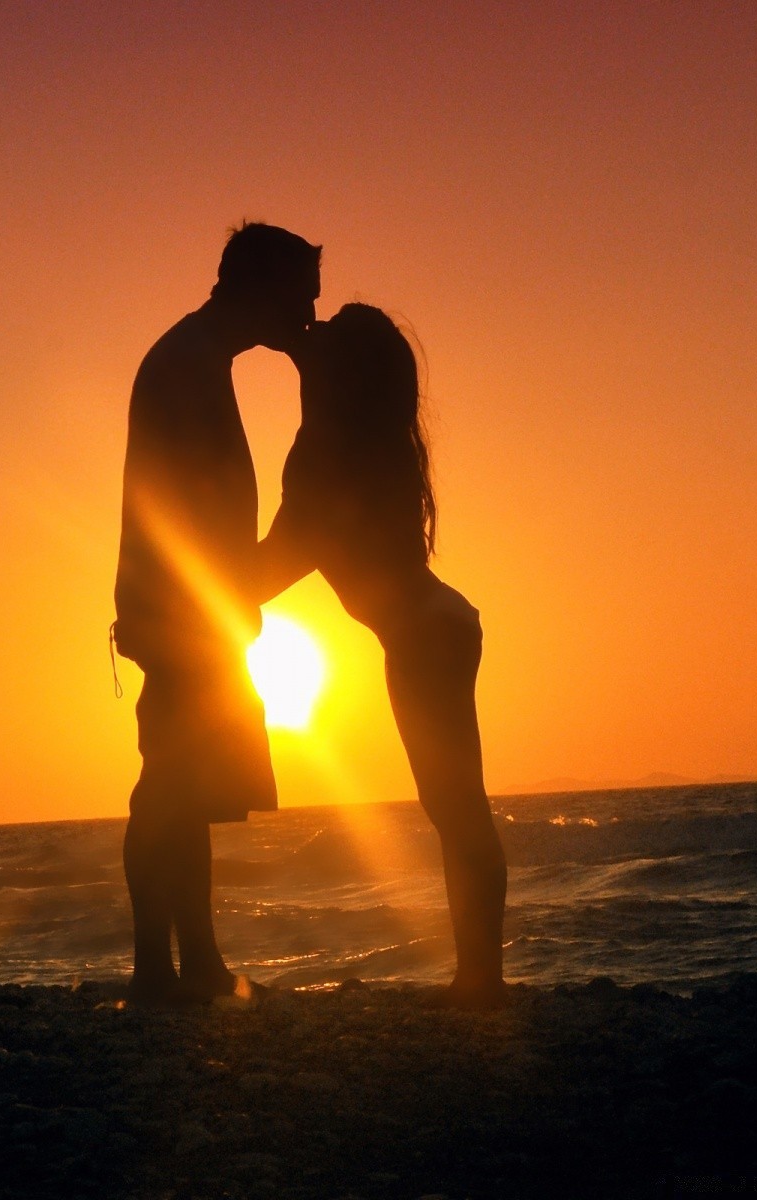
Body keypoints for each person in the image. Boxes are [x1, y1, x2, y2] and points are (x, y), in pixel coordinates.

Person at [258, 303, 509, 1009]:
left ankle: (481, 982)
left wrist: (184, 582)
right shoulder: (371, 443)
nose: (313, 334)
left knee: (456, 812)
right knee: (459, 811)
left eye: (326, 337)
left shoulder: (324, 458)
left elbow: (274, 565)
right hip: (438, 624)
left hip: (424, 636)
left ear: (340, 377)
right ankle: (481, 977)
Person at [112, 222, 321, 1003]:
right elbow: (182, 508)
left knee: (185, 785)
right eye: (300, 299)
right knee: (166, 784)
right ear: (260, 289)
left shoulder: (197, 358)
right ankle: (154, 969)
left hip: (194, 609)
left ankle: (192, 962)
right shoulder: (188, 365)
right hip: (182, 611)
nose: (307, 315)